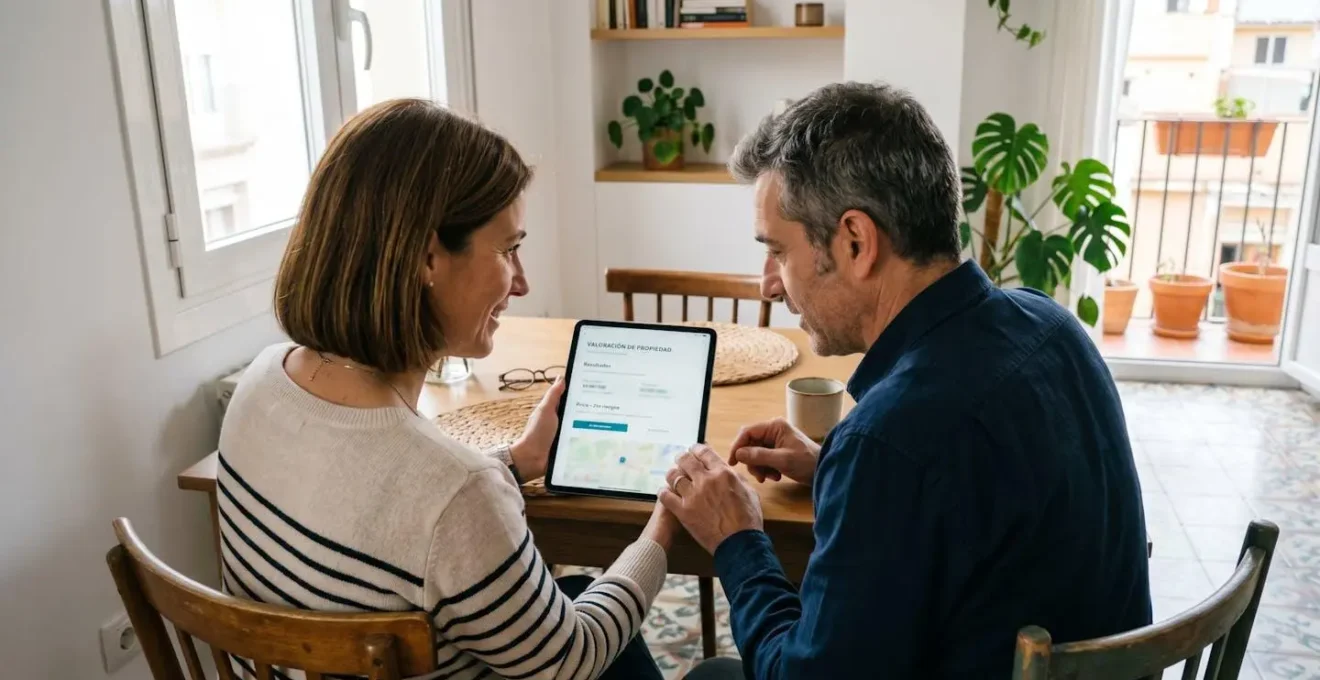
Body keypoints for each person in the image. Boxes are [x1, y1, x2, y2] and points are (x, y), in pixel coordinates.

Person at [658, 82, 1153, 678]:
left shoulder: (891, 440)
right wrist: (833, 466)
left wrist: (737, 540)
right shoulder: (1052, 324)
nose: (768, 284)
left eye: (778, 252)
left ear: (856, 242)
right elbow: (979, 490)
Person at [217, 98, 677, 680]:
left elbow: (384, 516)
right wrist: (663, 522)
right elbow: (572, 660)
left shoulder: (261, 383)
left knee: (575, 593)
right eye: (508, 249)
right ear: (427, 257)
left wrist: (517, 460)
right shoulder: (457, 490)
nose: (523, 283)